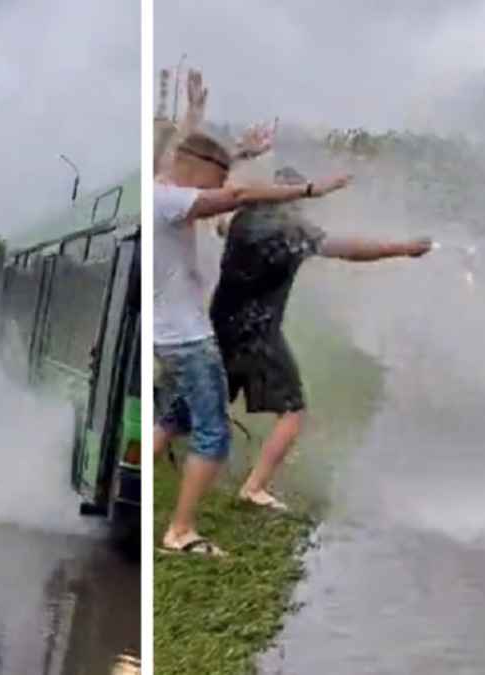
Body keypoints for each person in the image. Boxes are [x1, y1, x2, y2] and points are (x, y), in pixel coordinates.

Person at [153, 69, 351, 556]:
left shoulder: (161, 187)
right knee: (213, 433)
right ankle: (181, 532)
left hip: (187, 331)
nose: (226, 182)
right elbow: (235, 194)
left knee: (177, 414)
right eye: (218, 174)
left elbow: (187, 159)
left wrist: (199, 118)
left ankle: (128, 479)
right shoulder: (173, 199)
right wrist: (310, 191)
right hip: (191, 337)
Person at [211, 165, 432, 511]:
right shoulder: (289, 232)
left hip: (219, 325)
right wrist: (403, 247)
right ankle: (253, 488)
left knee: (187, 410)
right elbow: (348, 249)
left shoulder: (243, 219)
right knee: (293, 410)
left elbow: (219, 226)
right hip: (257, 333)